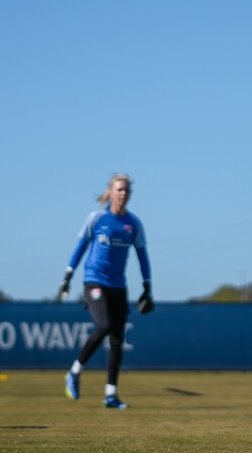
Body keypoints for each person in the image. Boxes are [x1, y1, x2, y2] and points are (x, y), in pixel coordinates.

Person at [58, 173, 154, 410]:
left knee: (117, 339)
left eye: (126, 191)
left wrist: (147, 286)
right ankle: (74, 371)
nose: (123, 194)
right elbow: (80, 247)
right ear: (110, 192)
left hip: (118, 286)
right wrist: (68, 276)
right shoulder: (97, 218)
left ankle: (110, 394)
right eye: (119, 189)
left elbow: (143, 256)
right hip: (94, 281)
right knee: (104, 326)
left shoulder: (133, 224)